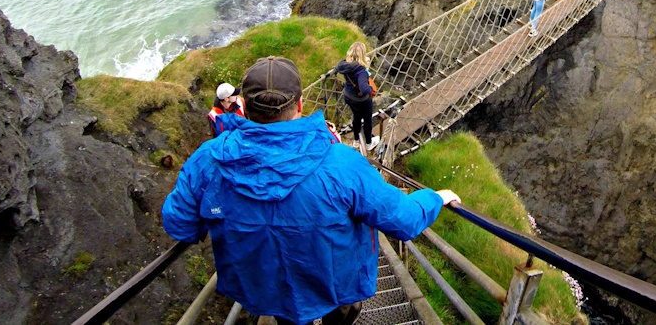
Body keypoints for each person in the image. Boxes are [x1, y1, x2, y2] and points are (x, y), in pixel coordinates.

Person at [162, 56, 461, 325]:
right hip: (338, 283)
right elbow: (403, 220)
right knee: (342, 313)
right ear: (301, 104)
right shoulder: (342, 164)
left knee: (288, 315)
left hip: (267, 288)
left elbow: (179, 224)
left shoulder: (208, 160)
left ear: (245, 108)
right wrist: (436, 197)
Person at [329, 42, 378, 148]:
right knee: (367, 119)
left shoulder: (344, 65)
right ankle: (369, 143)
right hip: (361, 100)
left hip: (348, 96)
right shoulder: (361, 72)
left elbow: (341, 68)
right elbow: (364, 89)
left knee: (356, 117)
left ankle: (356, 141)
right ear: (362, 55)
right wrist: (370, 88)